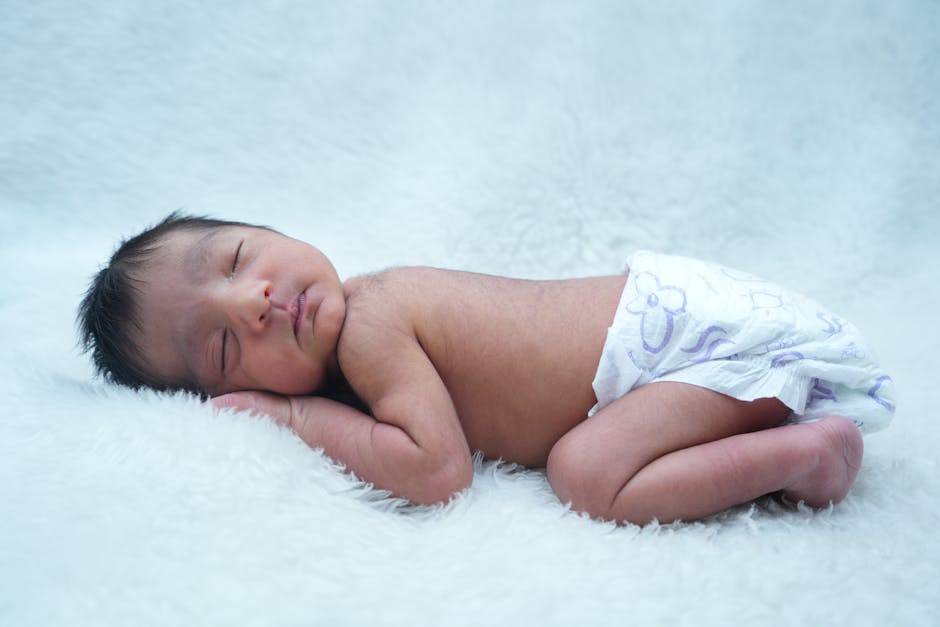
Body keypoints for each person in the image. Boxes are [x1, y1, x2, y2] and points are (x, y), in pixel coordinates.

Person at [78, 213, 895, 525]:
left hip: (685, 344)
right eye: (223, 346)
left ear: (272, 228)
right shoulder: (361, 338)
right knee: (591, 456)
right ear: (226, 390)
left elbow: (437, 472)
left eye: (236, 255)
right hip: (671, 328)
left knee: (586, 472)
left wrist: (295, 417)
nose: (251, 299)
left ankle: (804, 454)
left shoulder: (368, 324)